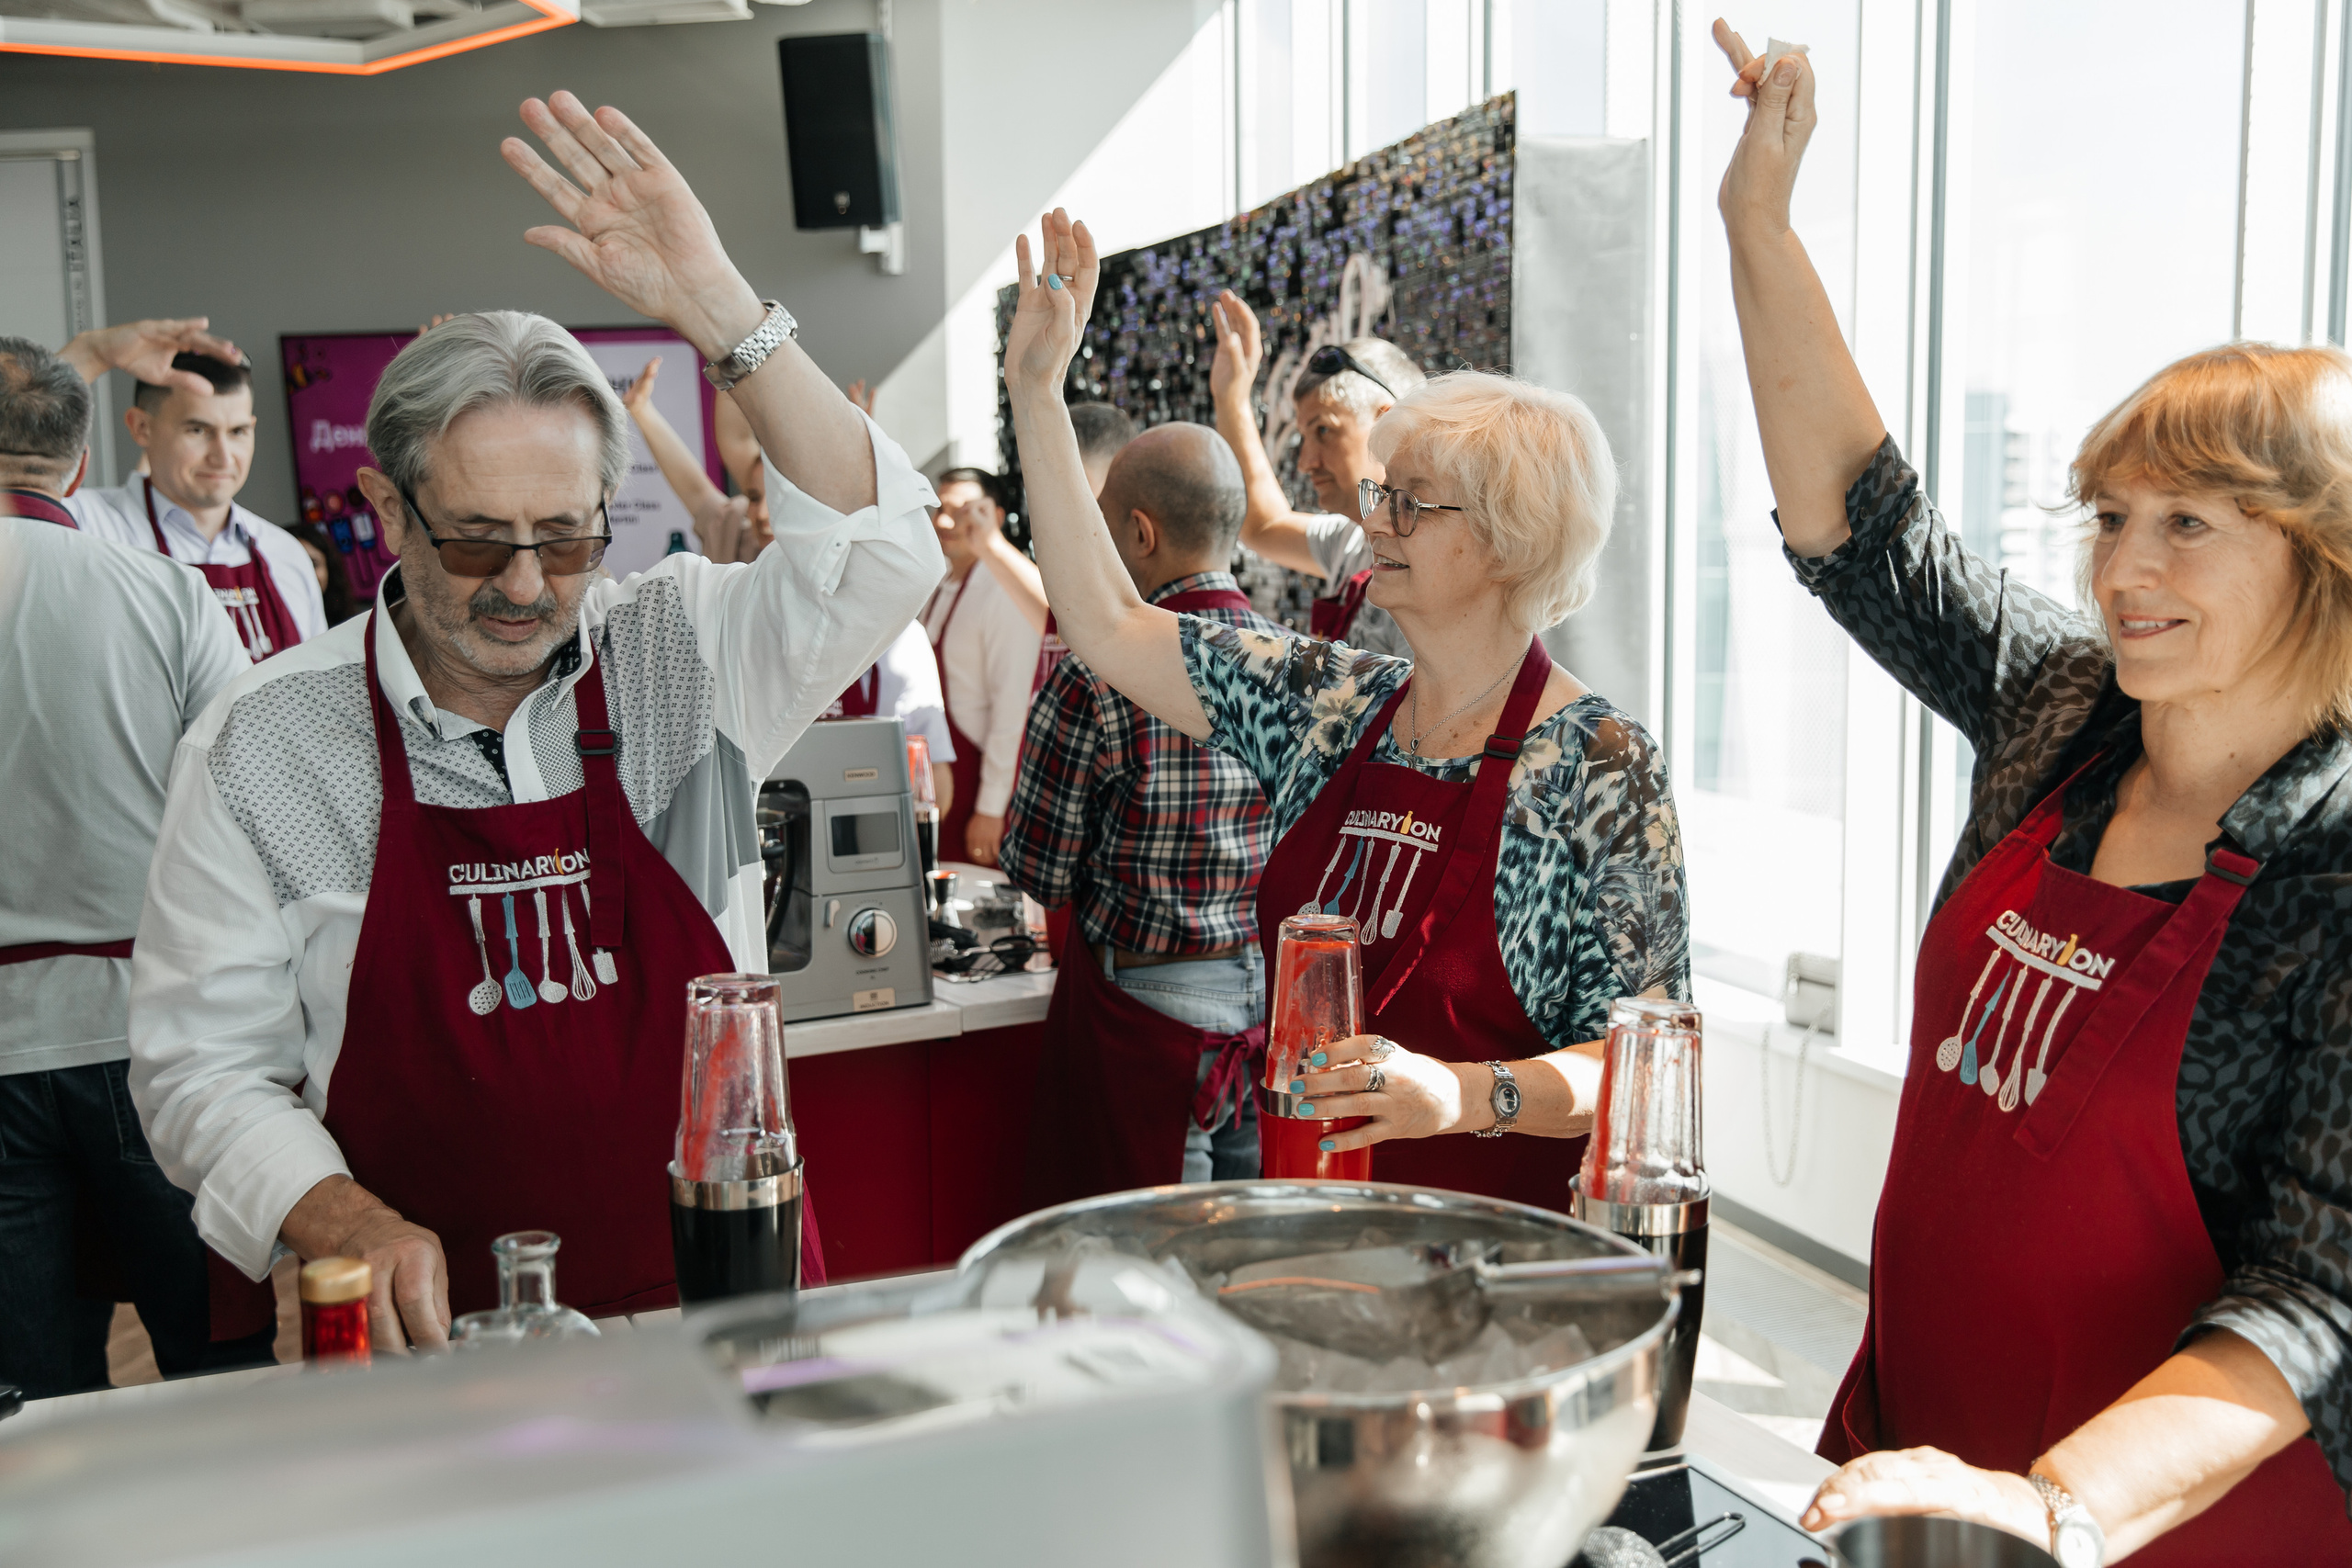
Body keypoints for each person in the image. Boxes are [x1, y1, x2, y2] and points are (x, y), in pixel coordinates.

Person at [128, 92, 942, 1354]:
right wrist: (332, 1209)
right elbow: (200, 1067)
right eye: (474, 540)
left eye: (564, 540)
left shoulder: (685, 654)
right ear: (385, 513)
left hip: (719, 1309)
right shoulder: (265, 742)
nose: (522, 587)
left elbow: (884, 554)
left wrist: (723, 304)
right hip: (437, 1352)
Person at [1702, 28, 2352, 1562]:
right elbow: (1866, 532)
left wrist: (2048, 1504)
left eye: (2191, 522)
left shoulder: (2335, 863)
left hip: (2152, 1524)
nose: (2124, 569)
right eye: (2113, 515)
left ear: (2325, 556)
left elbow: (2318, 1293)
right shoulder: (2066, 713)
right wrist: (1760, 224)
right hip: (1913, 1457)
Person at [1001, 210, 1689, 1213]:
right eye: (1381, 495)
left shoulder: (1597, 765)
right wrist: (1035, 392)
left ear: (1505, 543)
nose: (1374, 523)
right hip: (1317, 1228)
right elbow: (1108, 625)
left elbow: (1644, 1059)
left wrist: (1459, 1096)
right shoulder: (1332, 705)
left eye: (1412, 503)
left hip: (1490, 1277)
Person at [0, 335, 257, 1395]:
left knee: (32, 1410)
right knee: (225, 1370)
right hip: (161, 1041)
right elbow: (256, 812)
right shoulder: (170, 595)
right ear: (82, 456)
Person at [1000, 422, 1277, 1196]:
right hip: (1263, 1011)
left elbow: (1039, 871)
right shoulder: (1300, 671)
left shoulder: (1097, 672)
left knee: (1150, 1275)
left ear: (1140, 533)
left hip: (1140, 1018)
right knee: (1238, 1276)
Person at [64, 347, 328, 660]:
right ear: (140, 427)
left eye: (238, 432)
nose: (223, 456)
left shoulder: (285, 554)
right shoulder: (84, 526)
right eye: (198, 430)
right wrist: (95, 349)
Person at [1208, 291, 1423, 658]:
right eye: (1303, 437)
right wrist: (1231, 397)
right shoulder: (1352, 540)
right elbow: (1264, 526)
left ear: (1388, 422)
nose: (1305, 461)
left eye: (1323, 430)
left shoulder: (1430, 560)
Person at [924, 467, 1044, 867]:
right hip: (939, 774)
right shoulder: (936, 583)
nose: (944, 521)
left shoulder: (1004, 592)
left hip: (978, 779)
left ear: (994, 516)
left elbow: (1013, 708)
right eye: (939, 508)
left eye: (961, 510)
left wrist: (991, 808)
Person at [286, 521, 362, 625]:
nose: (306, 575)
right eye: (296, 566)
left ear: (329, 569)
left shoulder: (353, 626)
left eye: (314, 564)